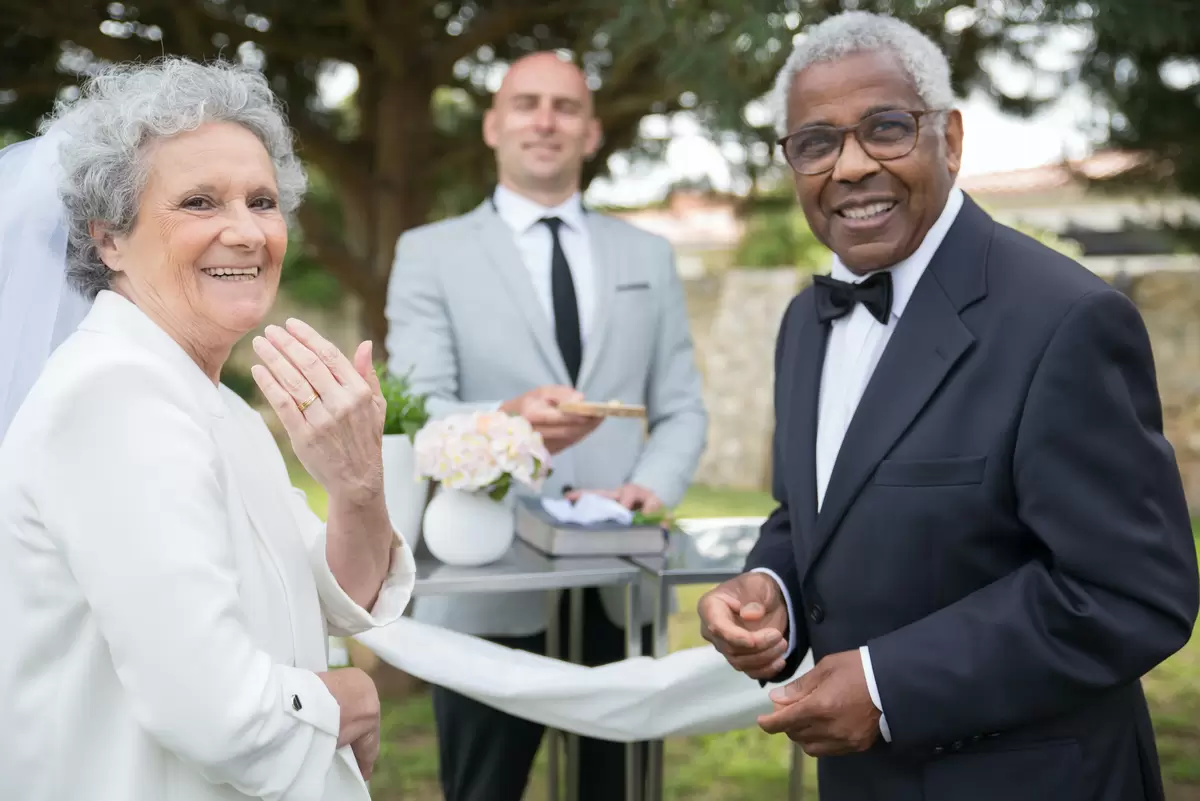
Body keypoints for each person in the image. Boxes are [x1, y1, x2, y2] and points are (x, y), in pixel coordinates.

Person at [698, 12, 1199, 801]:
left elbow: (1129, 592)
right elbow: (812, 512)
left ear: (952, 139)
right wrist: (771, 587)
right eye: (816, 143)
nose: (850, 165)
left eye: (886, 128)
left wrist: (886, 683)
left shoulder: (1064, 319)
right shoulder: (805, 320)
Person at [0, 58, 417, 801]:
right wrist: (345, 697)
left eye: (262, 201)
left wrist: (357, 486)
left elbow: (331, 594)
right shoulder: (113, 398)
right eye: (199, 202)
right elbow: (215, 711)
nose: (246, 232)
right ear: (109, 241)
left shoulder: (208, 398)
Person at [386, 50, 707, 801]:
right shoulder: (429, 253)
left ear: (591, 133)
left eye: (564, 107)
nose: (544, 120)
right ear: (493, 126)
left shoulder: (649, 255)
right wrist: (504, 422)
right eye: (525, 103)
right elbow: (419, 408)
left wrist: (650, 489)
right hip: (486, 578)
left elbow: (683, 405)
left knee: (621, 788)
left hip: (622, 578)